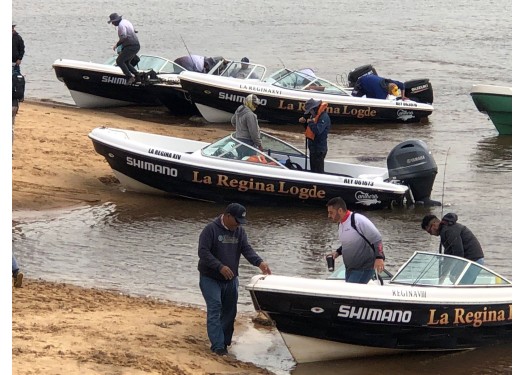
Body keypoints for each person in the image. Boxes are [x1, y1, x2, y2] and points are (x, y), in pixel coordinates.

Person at [198, 203, 271, 356]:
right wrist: (219, 267)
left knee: (230, 312)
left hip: (231, 280)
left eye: (241, 222)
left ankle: (225, 342)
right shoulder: (210, 229)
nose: (238, 225)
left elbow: (246, 249)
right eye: (237, 221)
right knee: (215, 307)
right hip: (210, 278)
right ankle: (217, 347)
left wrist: (259, 262)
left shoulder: (239, 232)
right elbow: (203, 252)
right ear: (227, 216)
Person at [327, 197, 385, 284]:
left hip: (364, 268)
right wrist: (337, 252)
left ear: (340, 210)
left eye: (331, 213)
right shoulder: (341, 224)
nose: (329, 216)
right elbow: (350, 243)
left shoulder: (358, 220)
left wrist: (379, 258)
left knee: (347, 295)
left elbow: (377, 238)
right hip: (350, 269)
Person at [298, 98, 331, 173]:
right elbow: (310, 130)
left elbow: (318, 130)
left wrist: (310, 123)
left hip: (319, 148)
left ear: (314, 108)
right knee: (313, 169)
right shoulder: (313, 116)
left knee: (319, 171)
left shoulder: (324, 117)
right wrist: (304, 123)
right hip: (313, 147)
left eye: (310, 110)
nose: (310, 112)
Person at [108, 13, 140, 85]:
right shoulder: (126, 22)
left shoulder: (121, 26)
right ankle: (137, 76)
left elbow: (124, 37)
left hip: (130, 46)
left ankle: (130, 77)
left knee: (119, 61)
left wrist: (116, 45)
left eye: (113, 22)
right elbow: (133, 31)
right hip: (136, 45)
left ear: (116, 20)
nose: (112, 24)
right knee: (126, 62)